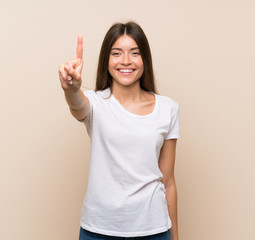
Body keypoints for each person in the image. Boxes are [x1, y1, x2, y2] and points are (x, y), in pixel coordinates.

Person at [58, 21, 180, 240]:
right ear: (107, 60)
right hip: (98, 230)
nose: (126, 61)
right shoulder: (96, 103)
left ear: (145, 59)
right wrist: (72, 89)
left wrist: (175, 236)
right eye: (117, 53)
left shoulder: (168, 108)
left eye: (135, 53)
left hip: (154, 229)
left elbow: (168, 181)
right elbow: (77, 105)